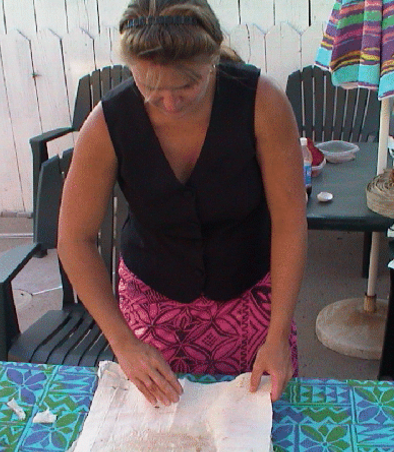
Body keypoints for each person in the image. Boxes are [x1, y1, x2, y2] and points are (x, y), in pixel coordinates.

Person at [57, 0, 307, 405]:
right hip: (152, 309)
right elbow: (74, 239)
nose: (170, 103)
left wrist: (277, 336)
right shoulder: (107, 124)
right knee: (159, 427)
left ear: (212, 59)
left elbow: (290, 223)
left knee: (258, 423)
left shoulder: (262, 103)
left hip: (253, 304)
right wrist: (123, 343)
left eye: (187, 84)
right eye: (150, 87)